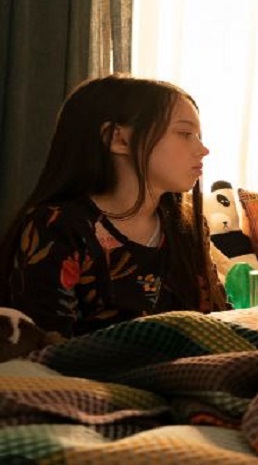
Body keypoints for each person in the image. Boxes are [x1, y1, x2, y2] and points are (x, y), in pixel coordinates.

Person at [0, 74, 228, 342]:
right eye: (185, 134)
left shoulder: (186, 225)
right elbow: (48, 348)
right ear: (118, 139)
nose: (202, 149)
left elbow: (215, 323)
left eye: (198, 136)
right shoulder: (58, 226)